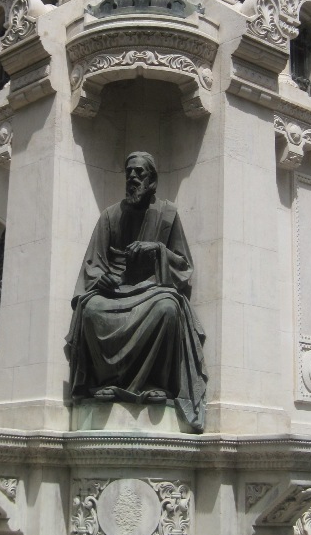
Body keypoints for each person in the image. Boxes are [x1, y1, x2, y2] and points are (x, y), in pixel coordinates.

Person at [65, 152, 207, 432]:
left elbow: (183, 265)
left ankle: (155, 383)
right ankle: (106, 382)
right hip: (114, 291)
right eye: (129, 172)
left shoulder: (167, 215)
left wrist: (157, 249)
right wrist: (102, 279)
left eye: (139, 173)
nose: (132, 177)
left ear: (152, 180)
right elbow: (93, 264)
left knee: (168, 308)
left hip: (152, 289)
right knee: (91, 309)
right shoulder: (109, 216)